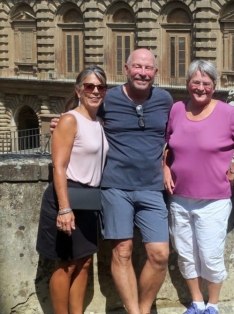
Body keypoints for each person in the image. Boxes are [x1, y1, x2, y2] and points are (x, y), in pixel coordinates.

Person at [50, 48, 173, 314]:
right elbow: (84, 114)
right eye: (137, 67)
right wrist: (60, 123)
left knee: (160, 254)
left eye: (148, 68)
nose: (142, 72)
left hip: (152, 187)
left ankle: (144, 307)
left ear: (156, 72)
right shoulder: (109, 97)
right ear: (126, 70)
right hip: (114, 187)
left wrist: (166, 162)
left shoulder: (165, 100)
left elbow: (176, 136)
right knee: (123, 252)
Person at [163, 60, 234, 314]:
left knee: (210, 255)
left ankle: (213, 305)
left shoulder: (227, 113)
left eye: (206, 83)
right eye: (195, 82)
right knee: (186, 254)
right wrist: (165, 168)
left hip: (213, 200)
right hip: (179, 198)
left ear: (214, 86)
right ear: (188, 84)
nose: (200, 88)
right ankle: (196, 302)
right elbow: (168, 144)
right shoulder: (177, 109)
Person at [37, 65, 109, 314]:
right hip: (66, 197)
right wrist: (64, 208)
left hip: (89, 201)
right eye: (89, 86)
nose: (95, 91)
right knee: (65, 264)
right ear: (78, 90)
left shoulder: (99, 122)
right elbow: (59, 166)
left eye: (101, 87)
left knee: (85, 262)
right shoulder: (69, 119)